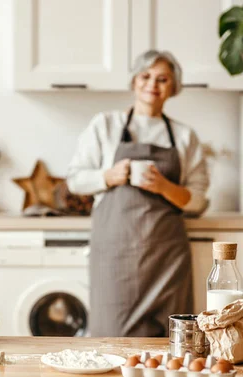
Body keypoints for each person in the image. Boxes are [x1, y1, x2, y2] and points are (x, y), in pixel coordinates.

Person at [67, 50, 209, 337]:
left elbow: (198, 200)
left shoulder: (184, 136)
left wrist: (165, 187)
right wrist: (108, 176)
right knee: (112, 339)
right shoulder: (105, 125)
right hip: (115, 253)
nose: (152, 85)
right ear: (134, 81)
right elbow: (75, 180)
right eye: (145, 76)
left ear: (174, 87)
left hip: (166, 256)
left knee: (173, 342)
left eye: (162, 79)